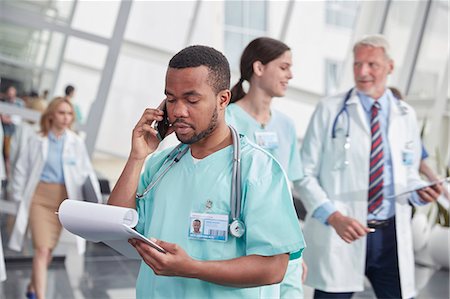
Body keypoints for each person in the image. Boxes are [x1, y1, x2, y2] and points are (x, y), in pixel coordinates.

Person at [108, 45, 305, 298]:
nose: (178, 111)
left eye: (191, 100)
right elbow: (117, 225)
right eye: (170, 99)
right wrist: (137, 157)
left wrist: (192, 268)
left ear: (223, 100)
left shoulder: (259, 170)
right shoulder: (159, 166)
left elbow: (274, 268)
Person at [297, 34, 442, 299]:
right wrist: (333, 216)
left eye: (372, 64)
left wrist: (418, 191)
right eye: (357, 64)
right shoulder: (329, 110)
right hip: (343, 230)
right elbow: (304, 174)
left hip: (390, 237)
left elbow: (407, 173)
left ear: (390, 67)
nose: (362, 72)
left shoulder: (405, 114)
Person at [226, 37, 307, 298]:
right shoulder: (226, 120)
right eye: (284, 67)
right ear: (259, 68)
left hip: (285, 247)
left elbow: (287, 191)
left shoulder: (286, 125)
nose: (290, 75)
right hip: (243, 245)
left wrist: (296, 250)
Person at [8, 97, 101, 299]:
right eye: (61, 113)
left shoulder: (76, 142)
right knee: (41, 249)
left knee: (47, 251)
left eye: (69, 114)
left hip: (62, 203)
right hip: (39, 199)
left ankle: (32, 288)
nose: (66, 118)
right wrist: (16, 196)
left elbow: (86, 172)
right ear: (51, 114)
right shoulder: (37, 139)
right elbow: (21, 170)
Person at [0, 85, 25, 177]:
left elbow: (20, 118)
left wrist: (11, 118)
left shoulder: (19, 103)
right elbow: (4, 119)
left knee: (16, 156)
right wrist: (12, 118)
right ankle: (7, 176)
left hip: (16, 133)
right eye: (9, 94)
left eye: (12, 94)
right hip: (6, 133)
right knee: (7, 155)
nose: (10, 96)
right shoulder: (4, 103)